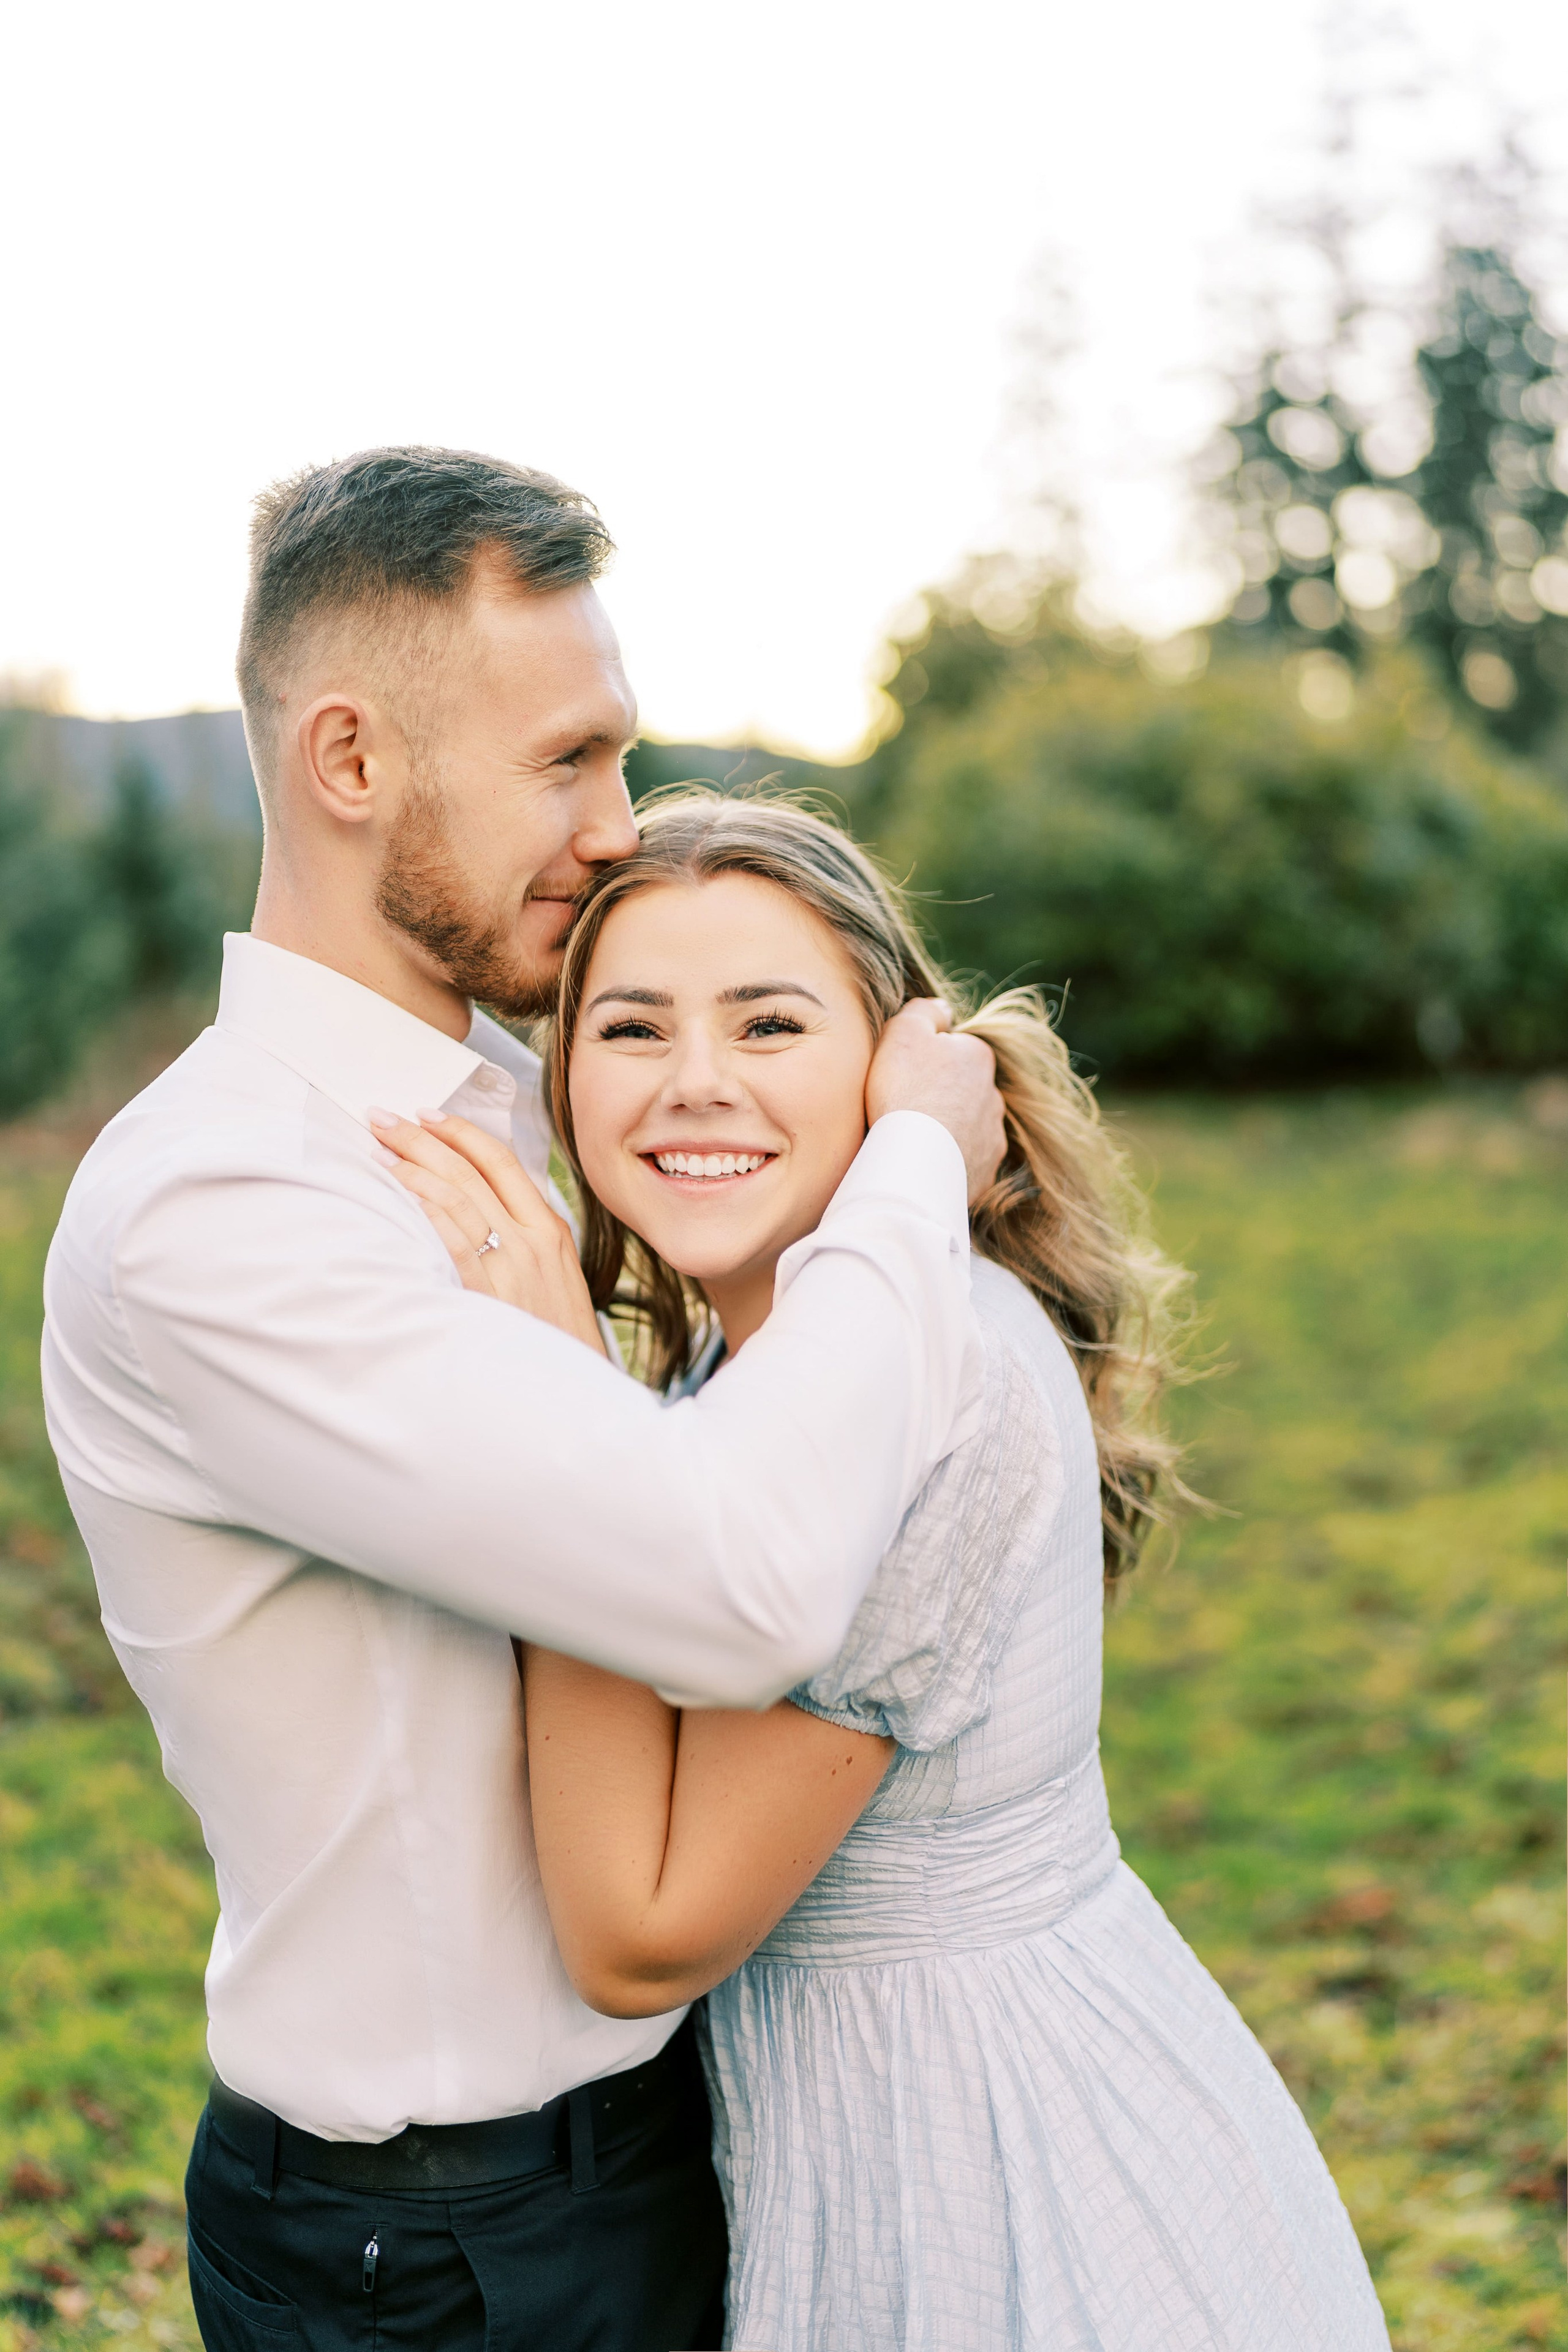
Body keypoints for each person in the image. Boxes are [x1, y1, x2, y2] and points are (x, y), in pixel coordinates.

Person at [40, 449, 1006, 2352]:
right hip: (442, 2247)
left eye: (615, 760)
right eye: (566, 761)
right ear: (349, 763)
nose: (613, 827)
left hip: (641, 2142)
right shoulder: (221, 1211)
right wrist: (907, 1172)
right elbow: (730, 1586)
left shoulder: (499, 1118)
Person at [382, 791, 1394, 2352]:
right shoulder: (766, 1346)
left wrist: (550, 1413)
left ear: (891, 1067)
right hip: (866, 2121)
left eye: (770, 1023)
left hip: (1004, 2171)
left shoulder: (938, 1393)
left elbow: (639, 1927)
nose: (695, 1084)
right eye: (632, 1029)